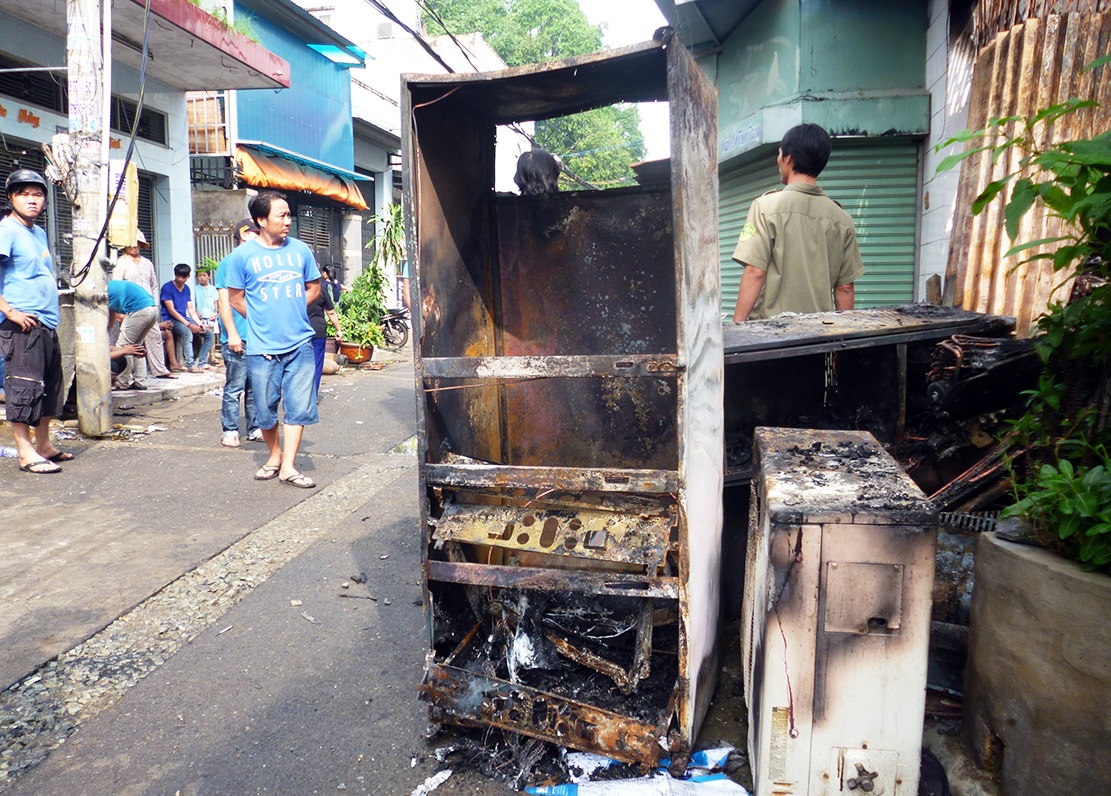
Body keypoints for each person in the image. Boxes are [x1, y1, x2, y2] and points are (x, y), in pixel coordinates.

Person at [226, 192, 322, 488]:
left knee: (298, 407)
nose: (288, 221)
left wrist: (290, 310)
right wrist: (262, 318)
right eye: (281, 215)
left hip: (300, 344)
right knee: (265, 409)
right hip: (262, 347)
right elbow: (234, 298)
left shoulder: (300, 250)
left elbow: (314, 288)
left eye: (289, 215)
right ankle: (275, 454)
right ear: (261, 220)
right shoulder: (242, 257)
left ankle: (289, 466)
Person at [731, 124, 865, 322]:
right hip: (818, 337)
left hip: (770, 336)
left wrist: (737, 328)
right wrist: (843, 339)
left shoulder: (765, 207)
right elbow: (845, 287)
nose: (778, 160)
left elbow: (755, 272)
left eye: (779, 154)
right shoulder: (842, 219)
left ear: (788, 158)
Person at [0, 169, 70, 474]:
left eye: (38, 194)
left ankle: (44, 445)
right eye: (24, 194)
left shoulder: (38, 233)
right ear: (11, 198)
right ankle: (25, 452)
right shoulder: (7, 230)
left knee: (49, 388)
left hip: (46, 324)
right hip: (21, 324)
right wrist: (10, 311)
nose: (32, 200)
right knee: (23, 388)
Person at [215, 218, 262, 448]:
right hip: (237, 337)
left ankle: (254, 428)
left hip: (257, 336)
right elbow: (224, 303)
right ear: (244, 235)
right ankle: (230, 430)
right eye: (256, 233)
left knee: (255, 387)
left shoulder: (257, 262)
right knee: (235, 386)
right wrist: (232, 334)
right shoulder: (230, 263)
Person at [114, 231, 174, 379]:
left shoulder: (147, 263)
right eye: (131, 245)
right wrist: (119, 311)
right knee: (128, 344)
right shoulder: (121, 263)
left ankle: (159, 369)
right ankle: (127, 377)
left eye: (137, 244)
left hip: (148, 305)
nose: (134, 247)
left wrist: (155, 304)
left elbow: (154, 285)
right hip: (130, 308)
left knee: (153, 337)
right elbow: (118, 286)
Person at [107, 279, 158, 390]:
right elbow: (112, 315)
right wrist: (106, 332)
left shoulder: (102, 290)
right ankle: (141, 381)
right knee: (136, 347)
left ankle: (122, 382)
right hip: (153, 309)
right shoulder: (111, 287)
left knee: (123, 346)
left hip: (139, 310)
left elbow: (110, 315)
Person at [160, 263, 210, 373]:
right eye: (178, 276)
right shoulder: (167, 287)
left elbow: (191, 309)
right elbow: (171, 310)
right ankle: (191, 364)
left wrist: (198, 323)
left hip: (184, 318)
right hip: (170, 319)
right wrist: (189, 325)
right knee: (187, 332)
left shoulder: (186, 289)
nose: (179, 279)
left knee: (208, 334)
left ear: (188, 277)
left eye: (183, 277)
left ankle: (202, 363)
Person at [308, 271, 343, 399]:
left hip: (298, 332)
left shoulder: (296, 290)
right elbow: (331, 312)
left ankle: (297, 397)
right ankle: (312, 397)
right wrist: (338, 329)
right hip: (317, 332)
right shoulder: (321, 290)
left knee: (297, 365)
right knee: (316, 364)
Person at [193, 268, 218, 368]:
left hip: (211, 316)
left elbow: (216, 302)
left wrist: (216, 312)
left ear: (209, 276)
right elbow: (193, 301)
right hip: (200, 317)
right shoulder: (195, 288)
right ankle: (202, 358)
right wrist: (196, 311)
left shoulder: (213, 289)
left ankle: (212, 356)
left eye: (204, 275)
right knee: (202, 338)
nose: (202, 278)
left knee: (212, 338)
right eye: (199, 276)